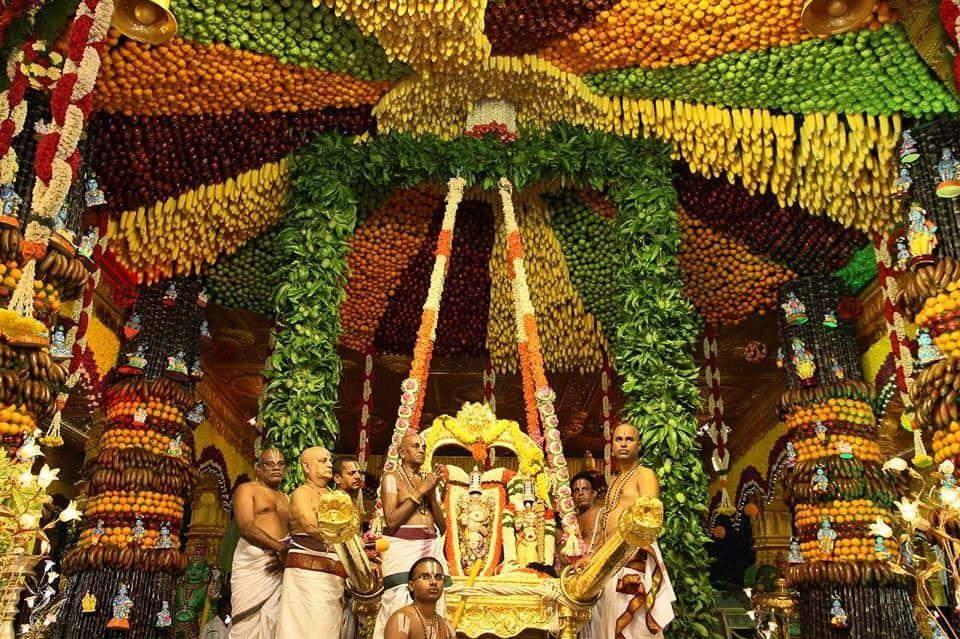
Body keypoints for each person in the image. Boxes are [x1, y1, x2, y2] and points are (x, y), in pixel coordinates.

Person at [580, 423, 675, 639]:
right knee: (609, 625)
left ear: (639, 445)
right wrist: (593, 556)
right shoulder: (613, 481)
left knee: (634, 626)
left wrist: (625, 550)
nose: (623, 443)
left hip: (633, 556)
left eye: (629, 439)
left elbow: (649, 516)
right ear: (612, 446)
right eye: (619, 439)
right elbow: (607, 527)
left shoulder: (644, 474)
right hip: (611, 561)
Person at [373, 432, 447, 639]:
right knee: (399, 600)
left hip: (430, 547)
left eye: (423, 446)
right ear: (402, 452)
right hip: (402, 549)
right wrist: (421, 490)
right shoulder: (391, 478)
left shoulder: (428, 479)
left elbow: (442, 526)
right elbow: (392, 520)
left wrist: (431, 494)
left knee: (434, 602)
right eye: (416, 446)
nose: (422, 450)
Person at [276, 447, 350, 638]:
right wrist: (339, 541)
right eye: (323, 461)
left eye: (329, 460)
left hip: (333, 572)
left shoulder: (336, 496)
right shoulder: (302, 493)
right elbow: (309, 525)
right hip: (305, 570)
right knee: (298, 628)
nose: (329, 464)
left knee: (327, 628)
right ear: (307, 466)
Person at [230, 448, 290, 639]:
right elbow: (246, 527)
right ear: (258, 468)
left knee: (275, 621)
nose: (276, 468)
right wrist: (279, 548)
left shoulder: (287, 498)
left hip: (279, 566)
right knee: (245, 624)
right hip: (253, 562)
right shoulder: (247, 489)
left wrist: (286, 553)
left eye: (280, 464)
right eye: (269, 464)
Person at [383, 557, 455, 639]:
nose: (434, 582)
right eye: (425, 577)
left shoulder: (446, 626)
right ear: (411, 585)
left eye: (438, 577)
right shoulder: (402, 620)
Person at [572, 472, 601, 553]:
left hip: (596, 561)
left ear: (594, 494)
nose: (580, 493)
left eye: (585, 489)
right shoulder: (572, 520)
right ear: (573, 496)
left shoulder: (602, 513)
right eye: (576, 490)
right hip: (575, 563)